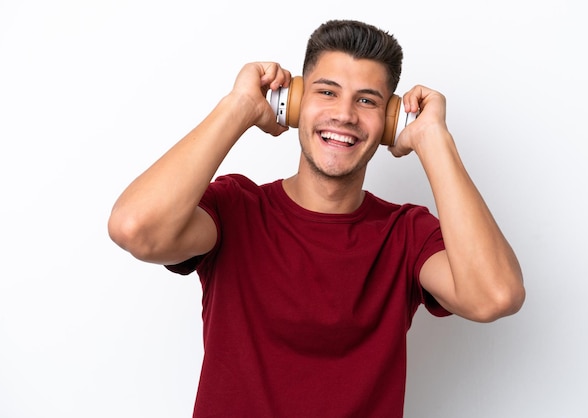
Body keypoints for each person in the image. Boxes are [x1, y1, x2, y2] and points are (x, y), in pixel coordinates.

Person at [108, 19, 525, 418]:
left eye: (367, 100)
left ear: (391, 121)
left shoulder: (405, 235)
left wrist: (434, 138)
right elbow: (135, 229)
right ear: (293, 102)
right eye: (327, 92)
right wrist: (239, 106)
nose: (344, 114)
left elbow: (494, 296)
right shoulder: (236, 208)